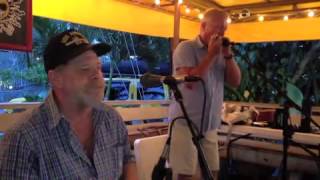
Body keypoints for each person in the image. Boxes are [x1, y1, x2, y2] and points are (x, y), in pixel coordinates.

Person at [0, 29, 138, 179]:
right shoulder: (22, 140)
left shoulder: (111, 119)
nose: (97, 76)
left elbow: (127, 159)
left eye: (98, 68)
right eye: (85, 69)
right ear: (56, 78)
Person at [168, 9, 241, 180]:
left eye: (224, 30)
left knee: (212, 173)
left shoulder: (222, 52)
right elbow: (190, 80)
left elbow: (235, 82)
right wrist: (210, 55)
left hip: (209, 125)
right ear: (203, 26)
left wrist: (228, 56)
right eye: (217, 29)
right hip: (185, 122)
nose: (221, 34)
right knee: (185, 174)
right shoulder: (186, 48)